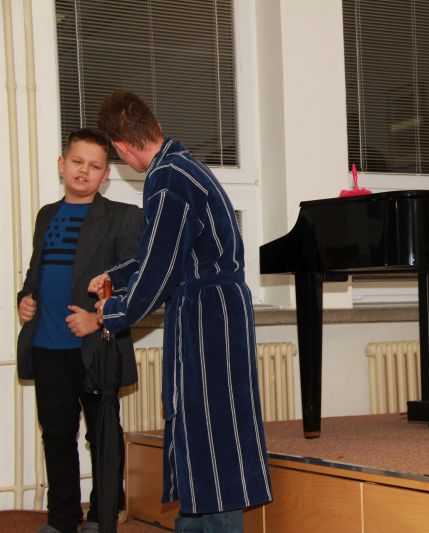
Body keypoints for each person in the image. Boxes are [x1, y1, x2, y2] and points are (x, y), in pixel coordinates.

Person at [91, 90, 272, 531]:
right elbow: (160, 254)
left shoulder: (168, 178)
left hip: (208, 314)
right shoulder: (180, 167)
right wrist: (115, 275)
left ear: (121, 146)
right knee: (198, 432)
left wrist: (113, 311)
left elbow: (159, 271)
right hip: (212, 308)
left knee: (213, 435)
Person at [17, 128, 143, 533]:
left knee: (102, 437)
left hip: (96, 346)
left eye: (94, 166)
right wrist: (25, 298)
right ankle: (62, 517)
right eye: (77, 162)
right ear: (62, 164)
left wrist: (98, 319)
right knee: (56, 435)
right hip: (48, 346)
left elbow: (136, 284)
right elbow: (37, 271)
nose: (84, 171)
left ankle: (102, 515)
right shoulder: (46, 215)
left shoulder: (123, 217)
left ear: (105, 174)